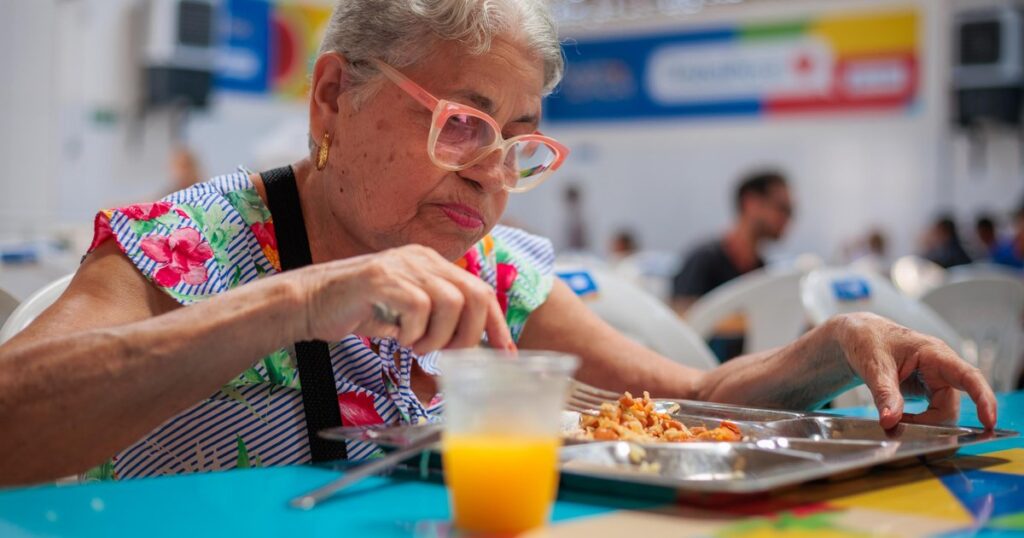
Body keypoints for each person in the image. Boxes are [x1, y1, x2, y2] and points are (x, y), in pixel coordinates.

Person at [0, 0, 995, 486]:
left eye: (518, 144)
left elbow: (678, 398)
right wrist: (297, 300)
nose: (491, 174)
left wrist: (833, 348)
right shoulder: (190, 242)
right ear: (335, 96)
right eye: (462, 124)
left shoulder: (497, 268)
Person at [671, 171, 792, 315]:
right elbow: (680, 315)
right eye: (782, 208)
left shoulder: (761, 269)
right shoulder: (704, 259)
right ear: (751, 203)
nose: (788, 218)